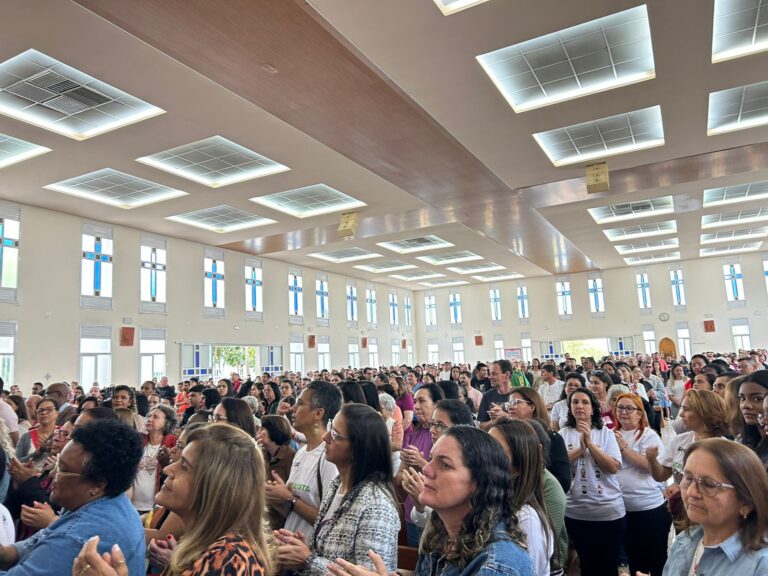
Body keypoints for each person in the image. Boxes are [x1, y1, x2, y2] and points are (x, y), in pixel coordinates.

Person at [328, 426, 534, 576]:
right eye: (432, 458)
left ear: (479, 483)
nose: (426, 469)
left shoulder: (499, 562)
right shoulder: (442, 534)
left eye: (444, 465)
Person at [80, 423, 274, 576]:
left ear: (214, 487)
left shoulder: (228, 560)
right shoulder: (213, 549)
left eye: (185, 466)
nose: (168, 469)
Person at [0, 420, 145, 574]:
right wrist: (5, 553)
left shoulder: (77, 537)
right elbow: (37, 541)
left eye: (62, 469)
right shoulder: (110, 501)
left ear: (97, 484)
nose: (53, 474)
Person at [275, 404, 400, 576]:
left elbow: (370, 573)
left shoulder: (376, 507)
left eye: (335, 434)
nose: (326, 437)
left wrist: (309, 560)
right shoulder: (337, 485)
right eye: (330, 428)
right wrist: (305, 550)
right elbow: (327, 551)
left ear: (359, 448)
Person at [643, 439, 768, 576]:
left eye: (709, 485)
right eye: (688, 478)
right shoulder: (685, 541)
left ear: (746, 503)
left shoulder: (760, 566)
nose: (691, 492)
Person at [559, 388, 625, 576]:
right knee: (586, 564)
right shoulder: (562, 434)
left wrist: (590, 445)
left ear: (593, 408)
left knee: (608, 564)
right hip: (576, 512)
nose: (579, 406)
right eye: (575, 402)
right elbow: (559, 466)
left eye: (585, 402)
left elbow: (612, 467)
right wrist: (580, 449)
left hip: (608, 511)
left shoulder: (605, 433)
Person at [265, 380, 341, 540]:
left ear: (318, 413)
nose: (293, 408)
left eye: (300, 403)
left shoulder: (329, 457)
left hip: (310, 553)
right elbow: (293, 509)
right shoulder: (301, 453)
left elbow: (331, 521)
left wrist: (290, 499)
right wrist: (278, 495)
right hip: (292, 548)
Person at [613, 393, 671, 576]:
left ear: (640, 413)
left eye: (629, 408)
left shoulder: (648, 435)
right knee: (634, 560)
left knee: (656, 560)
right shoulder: (611, 434)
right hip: (622, 508)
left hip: (649, 508)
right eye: (620, 408)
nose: (624, 412)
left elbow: (651, 467)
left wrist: (624, 449)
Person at [489, 418, 554, 576]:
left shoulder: (526, 519)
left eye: (497, 452)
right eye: (486, 446)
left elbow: (533, 571)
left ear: (517, 469)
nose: (485, 457)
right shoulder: (490, 502)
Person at [131, 405, 177, 514]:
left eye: (156, 417)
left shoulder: (173, 444)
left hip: (156, 507)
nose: (150, 419)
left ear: (167, 422)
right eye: (149, 416)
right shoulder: (137, 440)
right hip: (131, 504)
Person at [257, 415, 296, 530]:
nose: (258, 432)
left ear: (273, 431)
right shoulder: (262, 454)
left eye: (262, 429)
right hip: (263, 520)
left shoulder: (290, 457)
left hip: (282, 524)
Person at [16, 396, 58, 468]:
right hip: (29, 477)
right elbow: (17, 461)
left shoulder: (62, 433)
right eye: (40, 410)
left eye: (49, 409)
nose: (44, 413)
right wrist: (37, 453)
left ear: (57, 413)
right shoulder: (26, 436)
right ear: (36, 414)